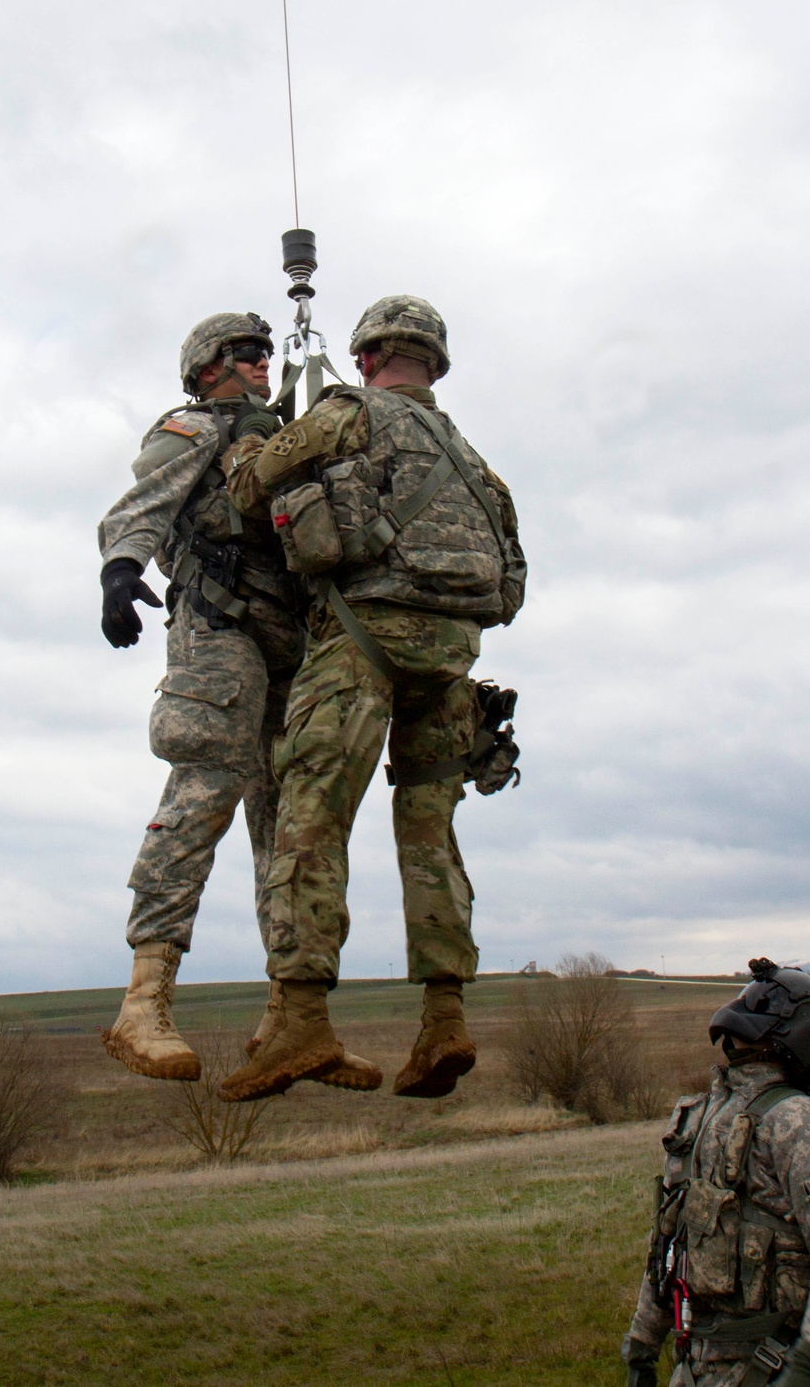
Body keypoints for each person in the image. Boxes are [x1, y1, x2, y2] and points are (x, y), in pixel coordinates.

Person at [214, 295, 527, 1103]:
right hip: (453, 663)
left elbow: (251, 485)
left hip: (362, 641)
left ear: (364, 358)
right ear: (436, 363)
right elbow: (514, 580)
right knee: (430, 840)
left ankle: (302, 1021)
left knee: (310, 817)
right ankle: (444, 1020)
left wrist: (249, 436)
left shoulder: (348, 413)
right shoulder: (471, 454)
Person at [96, 311, 312, 1081]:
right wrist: (122, 569)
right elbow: (140, 505)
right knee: (204, 787)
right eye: (245, 355)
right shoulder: (197, 428)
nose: (262, 366)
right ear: (208, 368)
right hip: (218, 632)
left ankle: (292, 1017)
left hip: (289, 648)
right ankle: (143, 1004)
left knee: (290, 822)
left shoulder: (286, 441)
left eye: (265, 354)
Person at [623, 958, 810, 1387]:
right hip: (694, 1369)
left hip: (769, 1367)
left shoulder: (793, 1119)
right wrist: (642, 1350)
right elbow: (671, 1249)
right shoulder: (704, 1118)